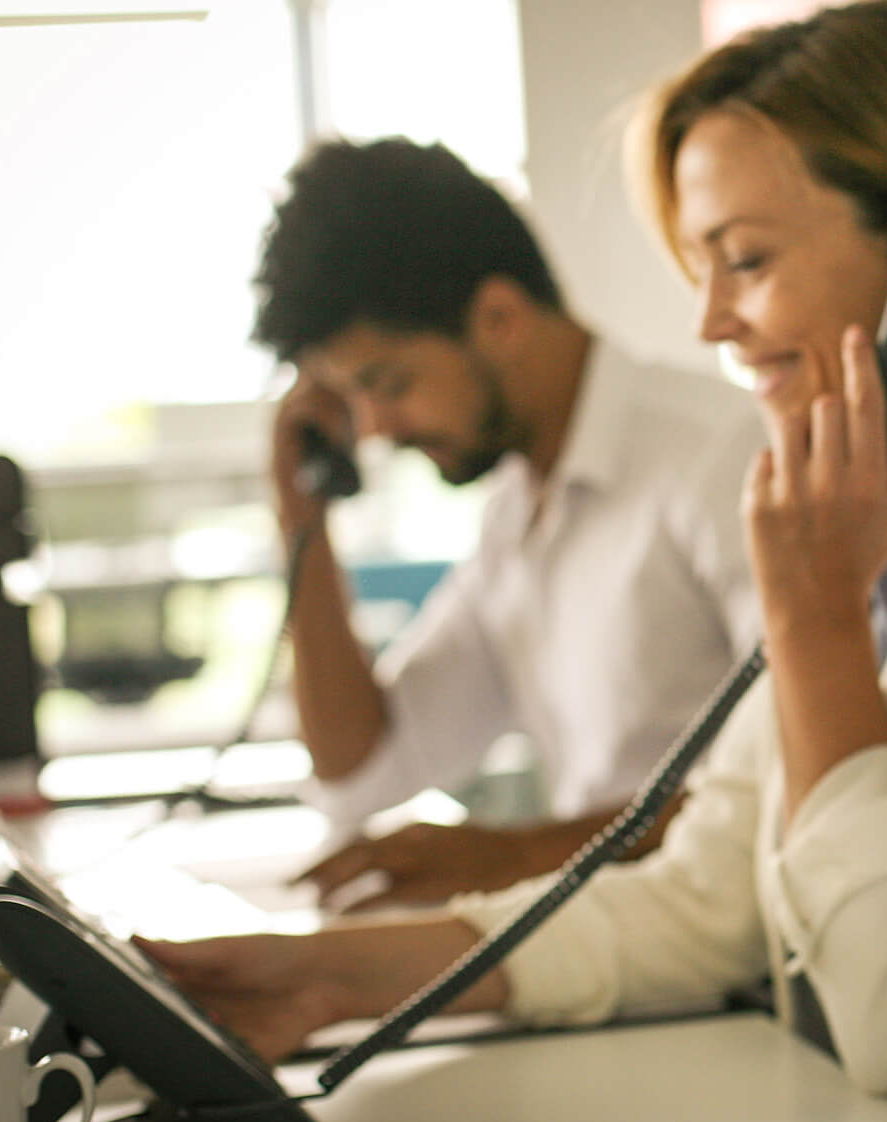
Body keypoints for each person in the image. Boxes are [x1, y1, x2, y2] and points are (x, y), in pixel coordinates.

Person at [145, 0, 887, 1098]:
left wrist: (813, 626)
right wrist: (323, 973)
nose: (711, 320)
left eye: (745, 259)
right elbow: (703, 894)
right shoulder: (868, 514)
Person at [252, 137, 765, 907]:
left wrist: (518, 856)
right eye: (353, 400)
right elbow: (361, 772)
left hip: (739, 978)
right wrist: (301, 517)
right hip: (611, 963)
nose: (377, 429)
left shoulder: (720, 458)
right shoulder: (516, 517)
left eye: (389, 383)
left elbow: (797, 783)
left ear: (498, 316)